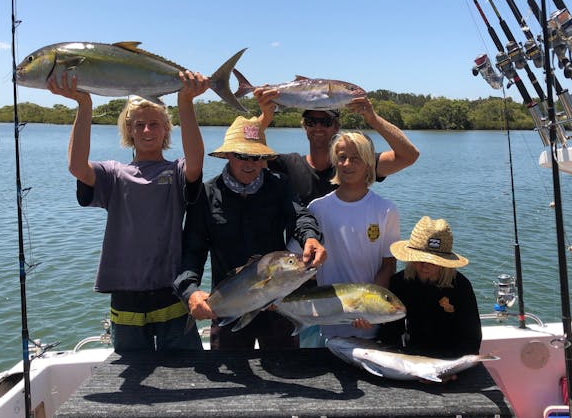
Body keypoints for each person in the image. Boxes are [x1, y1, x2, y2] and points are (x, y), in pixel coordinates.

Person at [47, 70, 208, 353]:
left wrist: (186, 101)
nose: (147, 131)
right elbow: (77, 167)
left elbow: (195, 162)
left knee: (185, 375)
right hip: (125, 294)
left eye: (154, 125)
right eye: (139, 125)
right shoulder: (113, 173)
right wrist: (84, 106)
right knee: (132, 375)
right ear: (129, 131)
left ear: (166, 130)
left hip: (171, 291)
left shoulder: (176, 171)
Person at [174, 116, 326, 350]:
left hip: (277, 308)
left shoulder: (279, 185)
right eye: (241, 156)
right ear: (227, 155)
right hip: (228, 306)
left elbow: (300, 216)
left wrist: (310, 237)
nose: (250, 164)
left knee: (287, 372)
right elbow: (192, 251)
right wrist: (191, 292)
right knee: (230, 377)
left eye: (256, 157)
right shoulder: (206, 195)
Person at [304, 131, 400, 344]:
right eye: (341, 157)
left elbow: (388, 264)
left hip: (369, 324)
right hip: (327, 322)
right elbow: (302, 264)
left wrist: (370, 309)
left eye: (355, 158)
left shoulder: (386, 210)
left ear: (368, 163)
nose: (347, 164)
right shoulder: (317, 208)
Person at [256, 89, 419, 206]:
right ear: (304, 126)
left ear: (336, 127)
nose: (318, 127)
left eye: (326, 122)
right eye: (311, 122)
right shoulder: (286, 165)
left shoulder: (355, 165)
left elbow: (408, 156)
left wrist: (373, 118)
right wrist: (266, 117)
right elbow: (245, 150)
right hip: (301, 252)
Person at [377, 216, 482, 358]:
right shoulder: (399, 282)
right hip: (412, 354)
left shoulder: (461, 287)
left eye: (432, 261)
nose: (425, 265)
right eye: (420, 259)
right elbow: (391, 331)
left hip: (452, 355)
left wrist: (449, 369)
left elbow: (472, 340)